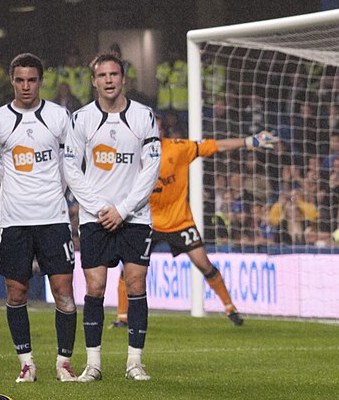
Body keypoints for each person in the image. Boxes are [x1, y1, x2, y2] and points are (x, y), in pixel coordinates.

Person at [110, 130, 278, 328]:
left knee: (203, 263)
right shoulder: (129, 156)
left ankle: (230, 307)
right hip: (146, 221)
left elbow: (216, 145)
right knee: (131, 268)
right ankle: (122, 317)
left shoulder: (179, 148)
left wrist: (248, 140)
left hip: (179, 221)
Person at [63, 52, 161, 382]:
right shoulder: (81, 119)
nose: (108, 80)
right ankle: (94, 364)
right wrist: (100, 207)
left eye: (114, 74)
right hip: (95, 217)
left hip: (134, 217)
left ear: (123, 79)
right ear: (94, 81)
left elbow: (151, 170)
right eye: (102, 75)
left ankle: (135, 363)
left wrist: (123, 209)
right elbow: (71, 169)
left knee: (135, 284)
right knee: (95, 288)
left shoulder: (144, 117)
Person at [0, 53, 79, 383]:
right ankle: (26, 364)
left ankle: (64, 363)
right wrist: (16, 190)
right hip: (14, 220)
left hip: (53, 218)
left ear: (42, 81)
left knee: (64, 291)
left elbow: (69, 163)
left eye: (32, 80)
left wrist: (59, 195)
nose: (26, 86)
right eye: (20, 80)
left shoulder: (59, 117)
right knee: (16, 293)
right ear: (12, 81)